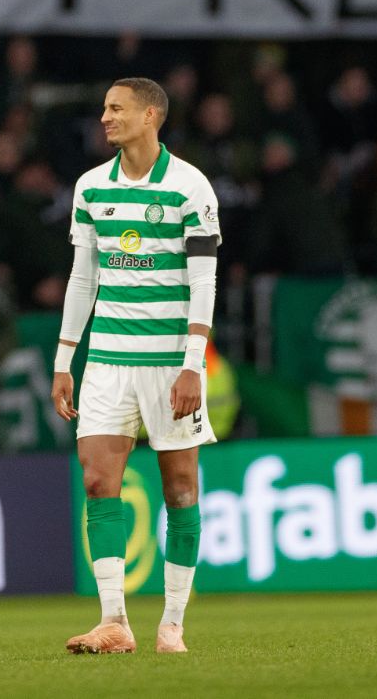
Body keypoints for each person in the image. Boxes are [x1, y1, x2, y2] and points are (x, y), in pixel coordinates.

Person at [52, 76, 222, 656]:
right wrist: (64, 358)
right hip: (107, 362)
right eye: (104, 107)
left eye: (116, 108)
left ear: (151, 116)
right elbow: (83, 278)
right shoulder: (90, 187)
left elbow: (204, 282)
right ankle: (114, 621)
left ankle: (172, 622)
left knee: (179, 489)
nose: (105, 117)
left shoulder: (189, 187)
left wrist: (193, 365)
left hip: (169, 362)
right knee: (99, 480)